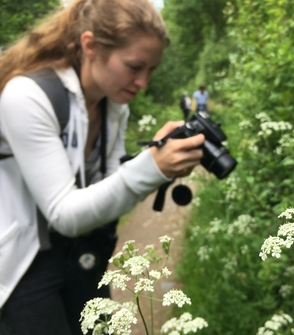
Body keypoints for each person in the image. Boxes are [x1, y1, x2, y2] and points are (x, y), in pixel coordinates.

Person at [0, 1, 204, 334]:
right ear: (90, 46)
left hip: (82, 250)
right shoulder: (27, 96)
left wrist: (159, 160)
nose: (143, 83)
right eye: (135, 66)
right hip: (24, 264)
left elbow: (109, 188)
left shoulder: (113, 104)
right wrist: (152, 168)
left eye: (151, 70)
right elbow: (64, 214)